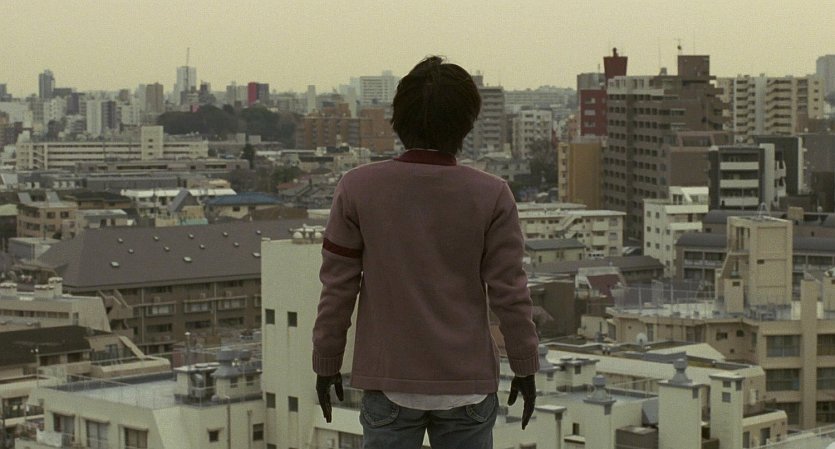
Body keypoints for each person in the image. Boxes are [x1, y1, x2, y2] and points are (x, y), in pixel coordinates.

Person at [313, 55, 539, 449]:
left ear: (398, 121)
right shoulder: (492, 195)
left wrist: (327, 360)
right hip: (467, 385)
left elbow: (338, 288)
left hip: (389, 380)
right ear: (466, 125)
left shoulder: (358, 188)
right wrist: (525, 365)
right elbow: (510, 291)